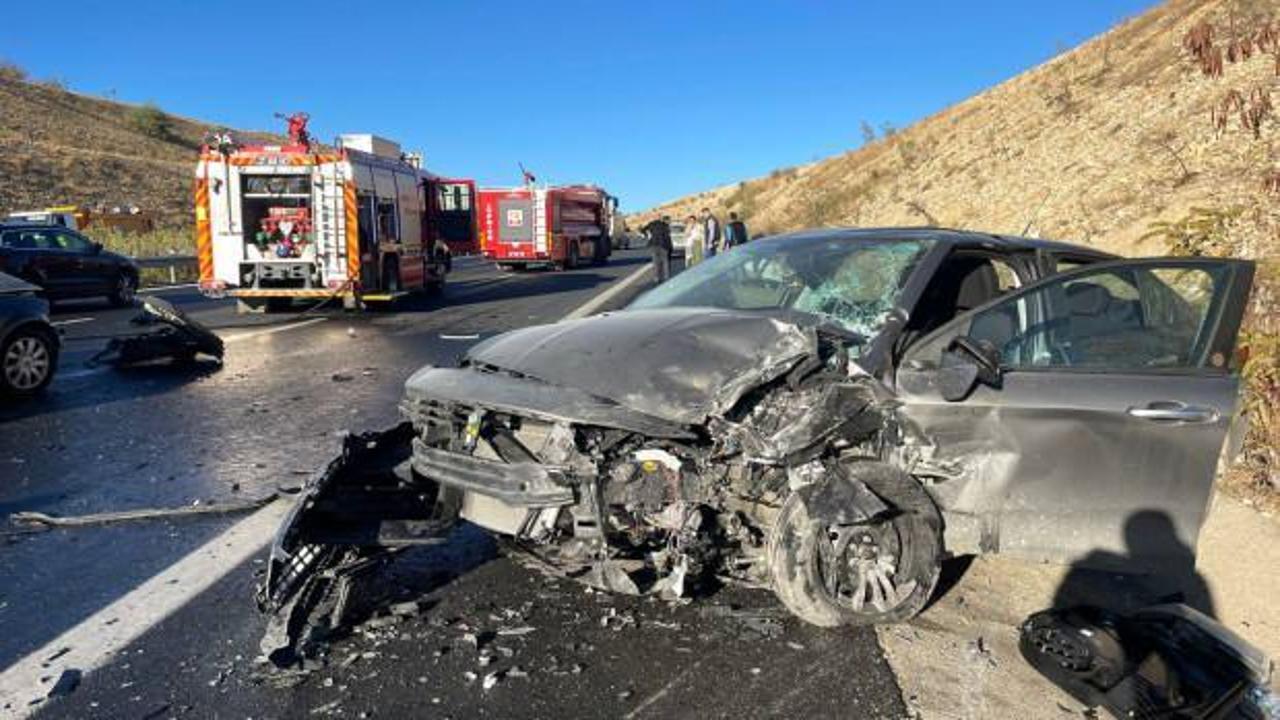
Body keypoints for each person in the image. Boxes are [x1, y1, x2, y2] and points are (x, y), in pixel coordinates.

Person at [642, 215, 673, 283]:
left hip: (654, 244)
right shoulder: (664, 225)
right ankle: (666, 277)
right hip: (663, 245)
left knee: (655, 262)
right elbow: (667, 237)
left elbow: (642, 230)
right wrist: (670, 247)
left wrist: (646, 236)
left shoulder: (651, 224)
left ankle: (657, 277)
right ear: (660, 218)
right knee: (665, 261)